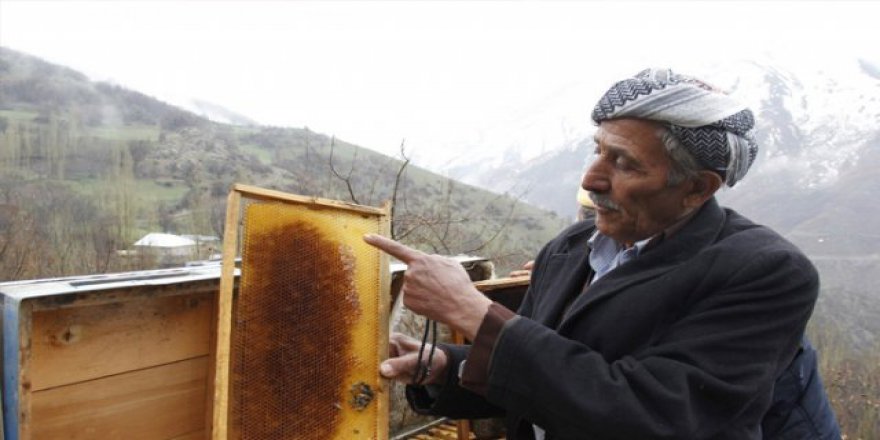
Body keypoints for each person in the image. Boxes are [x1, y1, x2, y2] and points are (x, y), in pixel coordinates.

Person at [365, 68, 832, 439]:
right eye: (598, 151)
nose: (591, 179)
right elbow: (545, 376)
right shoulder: (569, 249)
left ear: (696, 187)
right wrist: (447, 366)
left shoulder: (763, 271)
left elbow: (651, 416)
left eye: (624, 162)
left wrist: (474, 313)